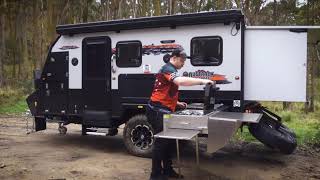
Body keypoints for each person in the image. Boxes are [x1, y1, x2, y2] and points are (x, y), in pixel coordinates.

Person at [147, 49, 214, 180]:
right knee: (161, 144)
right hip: (157, 111)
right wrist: (203, 81)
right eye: (182, 61)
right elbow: (180, 82)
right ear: (175, 57)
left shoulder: (170, 69)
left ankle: (167, 170)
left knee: (168, 143)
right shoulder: (168, 68)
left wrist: (176, 103)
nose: (183, 64)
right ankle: (155, 175)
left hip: (163, 108)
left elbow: (162, 89)